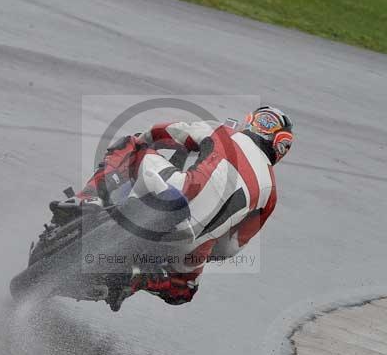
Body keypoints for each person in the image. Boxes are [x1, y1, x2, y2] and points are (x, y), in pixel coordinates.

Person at [50, 106, 293, 311]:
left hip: (172, 191)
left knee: (131, 145)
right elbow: (230, 248)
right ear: (281, 147)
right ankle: (135, 279)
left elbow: (169, 131)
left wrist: (146, 138)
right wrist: (207, 242)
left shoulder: (224, 132)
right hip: (190, 241)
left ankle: (88, 200)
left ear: (250, 122)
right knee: (184, 291)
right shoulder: (270, 192)